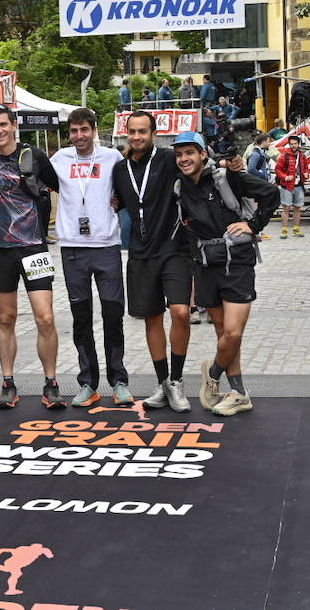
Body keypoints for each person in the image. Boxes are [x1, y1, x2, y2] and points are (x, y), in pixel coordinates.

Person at [171, 131, 279, 417]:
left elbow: (271, 193)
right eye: (179, 154)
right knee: (223, 333)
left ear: (202, 154)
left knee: (232, 333)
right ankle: (239, 393)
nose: (184, 159)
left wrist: (253, 225)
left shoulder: (226, 178)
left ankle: (214, 374)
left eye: (189, 153)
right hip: (206, 265)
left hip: (237, 263)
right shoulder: (180, 185)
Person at [0, 103, 65, 409]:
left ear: (14, 125)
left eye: (3, 125)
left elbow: (59, 186)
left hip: (33, 247)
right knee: (6, 318)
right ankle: (8, 383)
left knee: (46, 317)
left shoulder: (35, 156)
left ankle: (51, 383)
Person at [112, 110, 193, 411]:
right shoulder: (119, 170)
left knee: (181, 312)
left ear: (153, 133)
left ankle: (177, 380)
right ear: (126, 134)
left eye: (142, 132)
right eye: (132, 132)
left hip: (173, 249)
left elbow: (197, 165)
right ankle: (163, 385)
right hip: (140, 254)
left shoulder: (168, 159)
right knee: (152, 318)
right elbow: (114, 200)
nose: (136, 137)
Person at [51, 107, 132, 407]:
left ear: (94, 130)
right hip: (72, 248)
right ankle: (88, 383)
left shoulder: (112, 158)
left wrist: (120, 200)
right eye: (74, 131)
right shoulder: (59, 159)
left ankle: (119, 381)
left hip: (107, 246)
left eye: (84, 129)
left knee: (113, 315)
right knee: (80, 318)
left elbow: (129, 189)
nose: (79, 136)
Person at [274, 135, 308, 239]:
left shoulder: (302, 155)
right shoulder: (284, 155)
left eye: (295, 144)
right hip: (287, 186)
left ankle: (296, 228)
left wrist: (306, 173)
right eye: (291, 144)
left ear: (298, 144)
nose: (293, 146)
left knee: (298, 208)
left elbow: (306, 168)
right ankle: (284, 230)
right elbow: (277, 169)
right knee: (286, 208)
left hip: (299, 185)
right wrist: (285, 177)